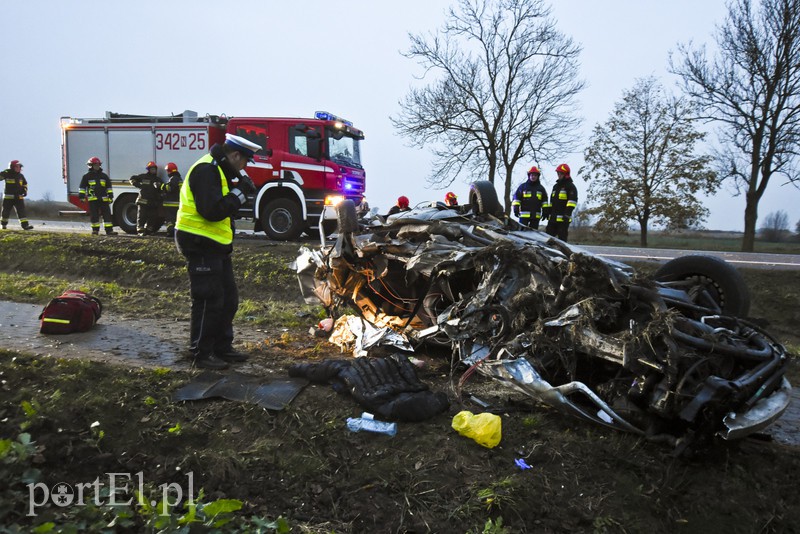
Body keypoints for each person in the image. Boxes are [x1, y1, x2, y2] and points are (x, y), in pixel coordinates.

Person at [175, 133, 261, 370]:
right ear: (235, 155)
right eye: (244, 161)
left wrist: (237, 193)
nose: (244, 167)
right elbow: (211, 211)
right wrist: (239, 194)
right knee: (208, 299)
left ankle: (222, 347)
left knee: (228, 299)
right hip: (199, 243)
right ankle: (201, 353)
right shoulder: (207, 170)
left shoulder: (218, 170)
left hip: (215, 245)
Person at [78, 157, 117, 235]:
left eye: (98, 165)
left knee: (107, 215)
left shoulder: (104, 176)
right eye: (95, 165)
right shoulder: (86, 176)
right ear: (91, 165)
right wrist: (82, 196)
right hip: (93, 199)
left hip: (104, 199)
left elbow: (109, 187)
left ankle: (109, 230)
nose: (97, 166)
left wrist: (110, 196)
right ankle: (95, 230)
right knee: (94, 215)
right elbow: (82, 187)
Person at [544, 163, 578, 241]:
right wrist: (547, 211)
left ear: (566, 174)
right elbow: (552, 202)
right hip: (552, 219)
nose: (559, 175)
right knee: (547, 240)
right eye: (558, 173)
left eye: (561, 173)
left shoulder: (570, 187)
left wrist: (567, 214)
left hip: (563, 220)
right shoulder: (555, 187)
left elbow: (572, 202)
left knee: (562, 241)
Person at [130, 161, 163, 235]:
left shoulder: (158, 180)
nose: (153, 170)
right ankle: (140, 230)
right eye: (151, 169)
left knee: (152, 217)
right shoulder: (143, 177)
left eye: (154, 169)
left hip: (153, 202)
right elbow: (132, 179)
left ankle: (149, 230)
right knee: (141, 216)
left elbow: (161, 189)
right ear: (148, 170)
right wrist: (138, 185)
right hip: (143, 201)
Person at [0, 160, 33, 230]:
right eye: (18, 167)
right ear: (12, 167)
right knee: (5, 212)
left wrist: (25, 190)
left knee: (21, 212)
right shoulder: (7, 173)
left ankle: (25, 226)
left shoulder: (21, 176)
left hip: (19, 197)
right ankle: (3, 225)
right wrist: (4, 172)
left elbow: (25, 184)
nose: (20, 168)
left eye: (20, 167)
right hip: (8, 198)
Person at [160, 162, 182, 238]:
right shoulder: (179, 178)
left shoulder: (174, 179)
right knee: (176, 220)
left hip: (171, 203)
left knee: (170, 220)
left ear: (169, 171)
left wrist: (161, 186)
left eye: (167, 171)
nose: (167, 173)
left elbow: (169, 188)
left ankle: (170, 233)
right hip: (177, 203)